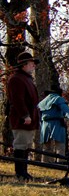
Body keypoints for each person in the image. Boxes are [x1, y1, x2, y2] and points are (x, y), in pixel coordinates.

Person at [6, 51, 40, 181]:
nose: (34, 66)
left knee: (26, 145)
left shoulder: (26, 79)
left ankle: (24, 171)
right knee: (20, 144)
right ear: (24, 65)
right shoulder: (16, 79)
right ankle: (20, 172)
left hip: (29, 118)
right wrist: (25, 115)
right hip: (22, 119)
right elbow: (17, 100)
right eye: (32, 63)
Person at [37, 85, 69, 162]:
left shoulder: (42, 102)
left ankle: (45, 162)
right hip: (56, 123)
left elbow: (38, 114)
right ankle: (61, 162)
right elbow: (64, 108)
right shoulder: (58, 99)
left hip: (45, 125)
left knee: (46, 146)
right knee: (60, 145)